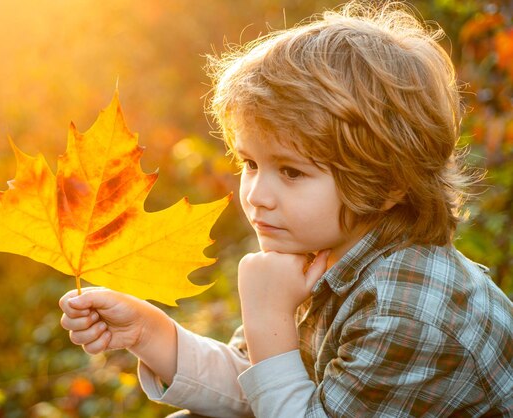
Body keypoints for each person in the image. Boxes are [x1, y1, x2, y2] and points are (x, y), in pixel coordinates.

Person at [58, 1, 513, 416]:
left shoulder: (405, 311)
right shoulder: (326, 251)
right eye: (249, 163)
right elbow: (263, 387)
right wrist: (151, 335)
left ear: (387, 183)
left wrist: (269, 318)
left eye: (291, 172)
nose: (256, 194)